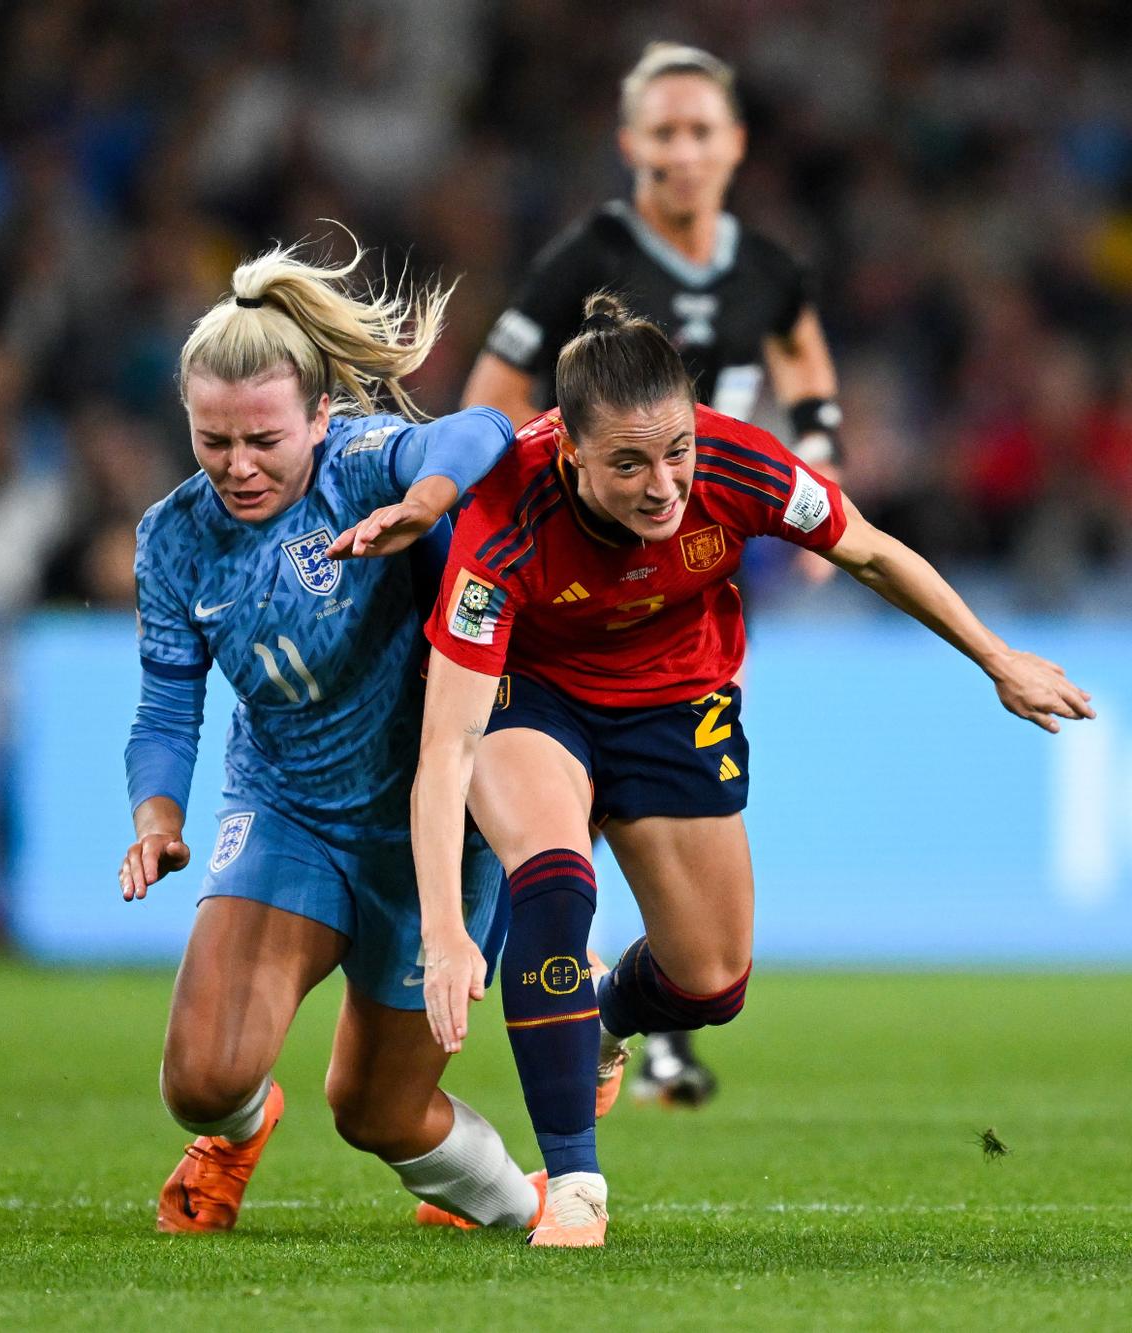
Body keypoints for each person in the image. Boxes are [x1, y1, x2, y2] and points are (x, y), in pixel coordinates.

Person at [407, 295, 1095, 1246]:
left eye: (677, 449)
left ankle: (601, 1013)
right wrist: (445, 926)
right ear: (570, 453)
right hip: (534, 692)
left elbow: (869, 550)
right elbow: (445, 746)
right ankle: (574, 1185)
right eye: (629, 463)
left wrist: (997, 657)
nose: (664, 485)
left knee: (712, 981)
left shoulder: (737, 462)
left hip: (675, 696)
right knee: (556, 883)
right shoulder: (505, 515)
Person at [119, 235, 543, 1235]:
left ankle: (528, 1208)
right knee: (203, 1076)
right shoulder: (172, 538)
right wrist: (157, 813)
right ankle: (235, 1129)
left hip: (433, 826)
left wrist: (427, 502)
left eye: (264, 439)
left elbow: (482, 428)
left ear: (319, 414)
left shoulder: (361, 466)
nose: (238, 465)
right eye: (212, 440)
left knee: (377, 1113)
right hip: (289, 811)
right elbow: (166, 707)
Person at [464, 40, 844, 1104]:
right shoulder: (585, 257)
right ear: (630, 144)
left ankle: (636, 1014)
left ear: (734, 144)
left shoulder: (765, 267)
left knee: (673, 820)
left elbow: (805, 358)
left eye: (700, 131)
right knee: (551, 843)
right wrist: (500, 521)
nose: (681, 152)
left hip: (693, 577)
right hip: (565, 595)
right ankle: (534, 1042)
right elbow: (489, 395)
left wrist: (817, 452)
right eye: (661, 133)